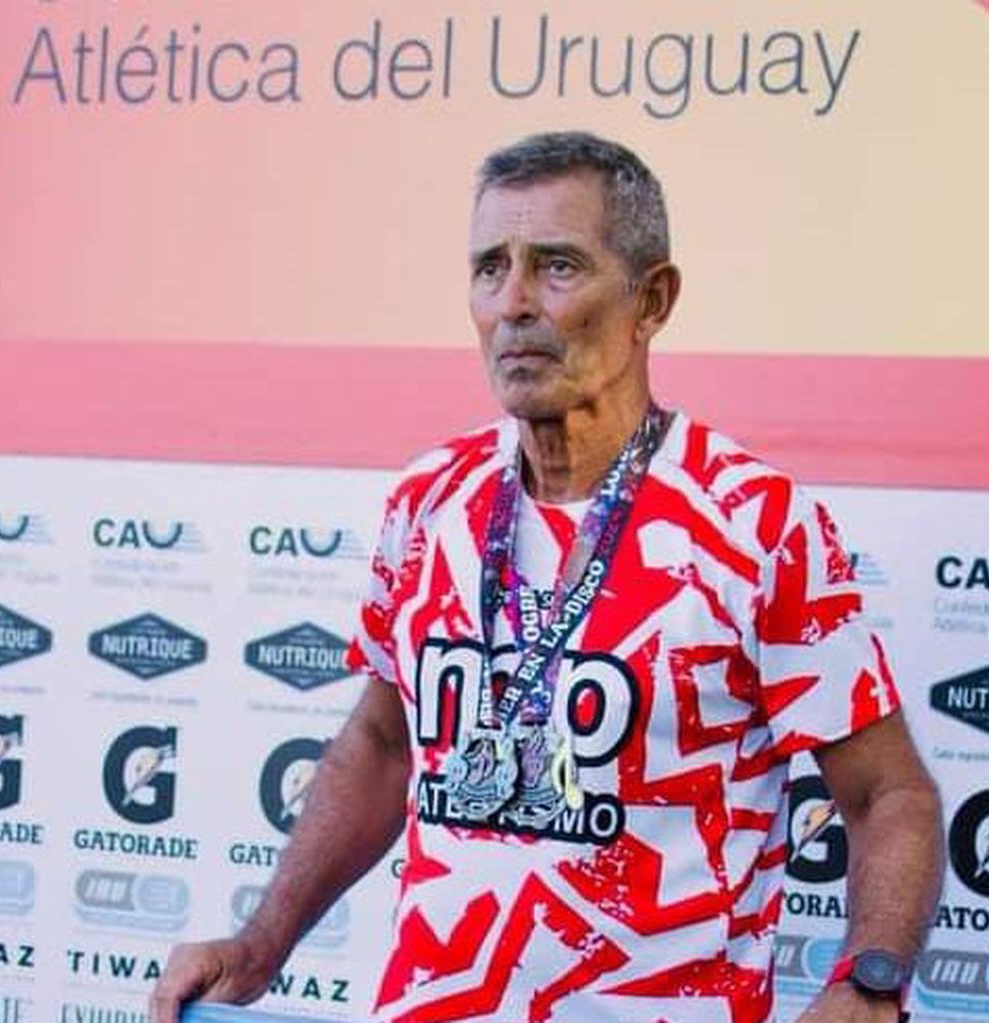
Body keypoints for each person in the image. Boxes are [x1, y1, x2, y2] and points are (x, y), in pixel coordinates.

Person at [152, 132, 944, 1023]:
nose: (514, 304)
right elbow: (382, 744)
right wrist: (260, 943)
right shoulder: (431, 499)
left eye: (557, 266)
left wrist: (868, 982)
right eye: (491, 268)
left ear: (652, 300)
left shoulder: (752, 523)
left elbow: (890, 793)